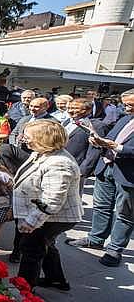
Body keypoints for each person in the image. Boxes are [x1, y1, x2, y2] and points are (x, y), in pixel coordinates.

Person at [66, 89, 134, 267]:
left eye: (130, 105)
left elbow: (120, 145)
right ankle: (95, 238)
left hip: (128, 174)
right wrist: (97, 141)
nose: (126, 107)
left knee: (125, 213)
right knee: (101, 206)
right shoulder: (125, 119)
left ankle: (115, 249)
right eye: (125, 104)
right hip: (107, 167)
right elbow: (109, 138)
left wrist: (117, 147)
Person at [12, 119, 82, 290]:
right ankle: (56, 280)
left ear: (43, 138)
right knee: (46, 245)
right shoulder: (44, 152)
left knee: (31, 249)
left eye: (28, 136)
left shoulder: (59, 163)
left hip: (52, 217)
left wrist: (31, 222)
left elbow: (52, 200)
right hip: (46, 215)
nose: (23, 139)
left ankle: (24, 291)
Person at [64, 98, 108, 195]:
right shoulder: (67, 122)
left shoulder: (96, 125)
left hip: (76, 167)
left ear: (88, 110)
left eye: (75, 108)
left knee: (72, 198)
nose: (71, 110)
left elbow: (95, 150)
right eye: (69, 108)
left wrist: (83, 170)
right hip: (61, 163)